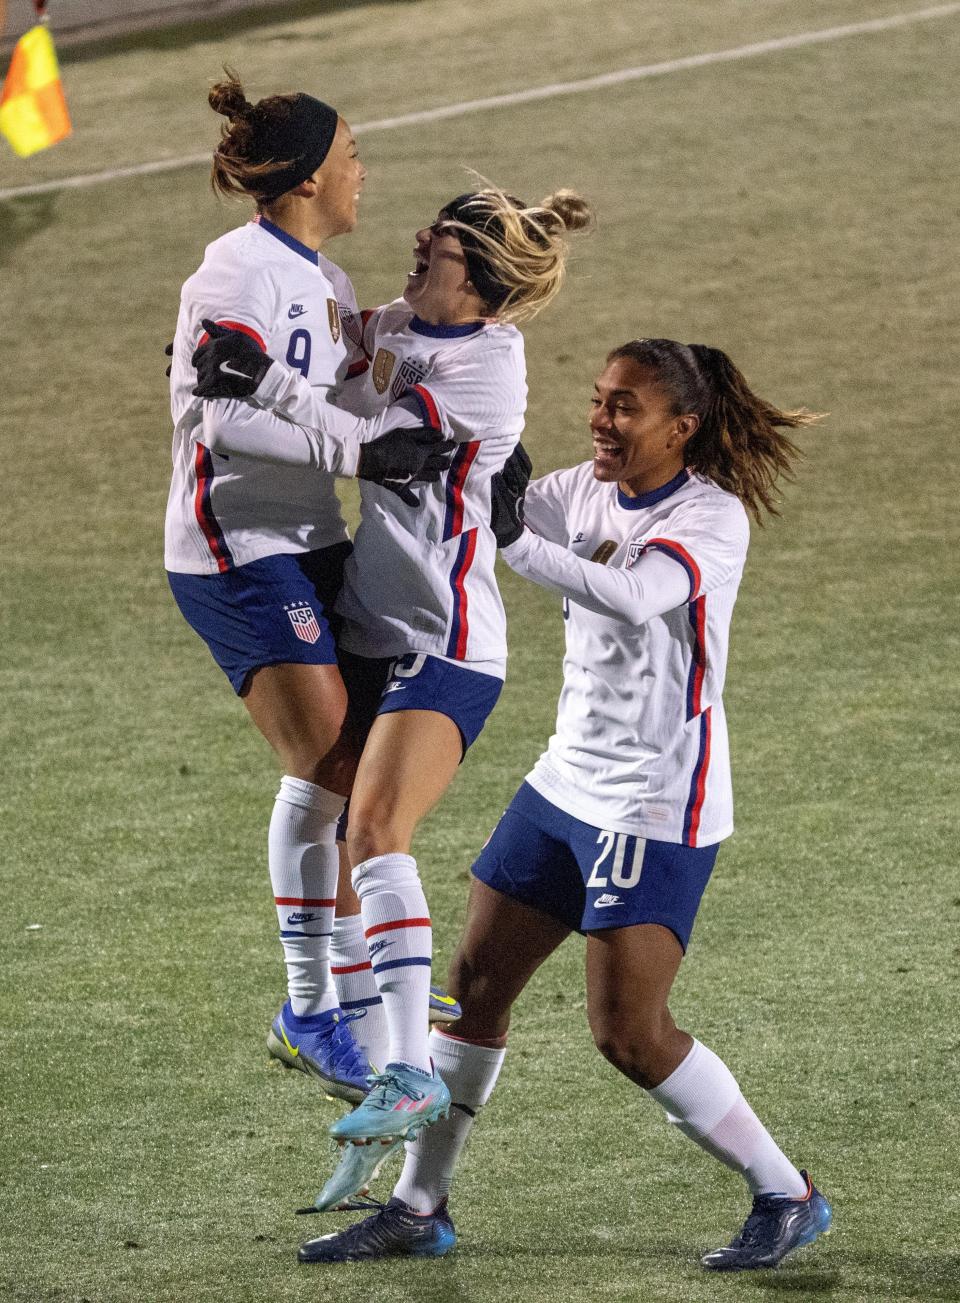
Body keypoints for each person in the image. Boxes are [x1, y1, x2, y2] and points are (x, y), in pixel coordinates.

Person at [296, 338, 833, 1271]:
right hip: (562, 782)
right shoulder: (578, 491)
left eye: (626, 407)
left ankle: (786, 1191)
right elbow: (478, 512)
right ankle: (420, 1207)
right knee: (469, 993)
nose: (601, 420)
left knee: (628, 1034)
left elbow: (632, 596)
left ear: (683, 427)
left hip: (652, 802)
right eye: (598, 399)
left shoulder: (712, 519)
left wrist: (512, 538)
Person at [191, 182, 594, 1206]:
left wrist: (268, 390)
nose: (420, 240)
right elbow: (330, 351)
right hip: (373, 631)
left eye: (448, 244)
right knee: (320, 792)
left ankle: (407, 1065)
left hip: (446, 646)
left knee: (372, 833)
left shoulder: (487, 368)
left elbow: (370, 436)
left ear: (488, 284)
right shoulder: (407, 320)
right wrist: (227, 352)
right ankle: (322, 1009)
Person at [164, 70, 456, 1106]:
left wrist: (384, 380)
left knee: (352, 747)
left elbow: (326, 392)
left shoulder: (325, 281)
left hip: (309, 535)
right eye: (350, 154)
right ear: (303, 178)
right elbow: (227, 417)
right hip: (236, 545)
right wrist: (362, 451)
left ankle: (349, 978)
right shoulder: (231, 273)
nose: (361, 169)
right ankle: (312, 1005)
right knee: (326, 748)